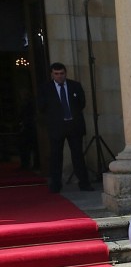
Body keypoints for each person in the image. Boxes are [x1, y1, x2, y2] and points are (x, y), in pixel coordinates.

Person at [41, 62, 92, 192]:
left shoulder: (75, 86)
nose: (59, 76)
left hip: (74, 126)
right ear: (52, 74)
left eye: (62, 73)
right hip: (57, 127)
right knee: (56, 156)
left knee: (78, 155)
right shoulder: (46, 88)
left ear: (65, 73)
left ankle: (84, 183)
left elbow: (81, 103)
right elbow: (42, 106)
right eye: (56, 74)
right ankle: (56, 185)